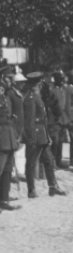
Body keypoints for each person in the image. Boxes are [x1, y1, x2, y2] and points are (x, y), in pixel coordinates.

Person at [23, 72, 67, 198]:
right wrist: (31, 138)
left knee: (49, 160)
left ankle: (53, 186)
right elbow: (29, 121)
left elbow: (43, 119)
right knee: (31, 163)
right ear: (36, 84)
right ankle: (31, 190)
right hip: (35, 136)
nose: (42, 85)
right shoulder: (30, 98)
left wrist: (46, 136)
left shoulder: (38, 97)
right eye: (40, 83)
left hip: (42, 135)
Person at [0, 66, 21, 210]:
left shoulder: (7, 94)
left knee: (7, 169)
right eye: (9, 78)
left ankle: (4, 199)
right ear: (2, 78)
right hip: (1, 137)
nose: (11, 81)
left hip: (8, 136)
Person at [46, 71, 68, 169]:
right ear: (57, 80)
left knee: (60, 142)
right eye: (60, 79)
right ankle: (53, 162)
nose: (62, 81)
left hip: (62, 120)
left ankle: (59, 161)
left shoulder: (62, 90)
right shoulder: (52, 91)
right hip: (55, 120)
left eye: (62, 79)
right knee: (54, 142)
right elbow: (49, 106)